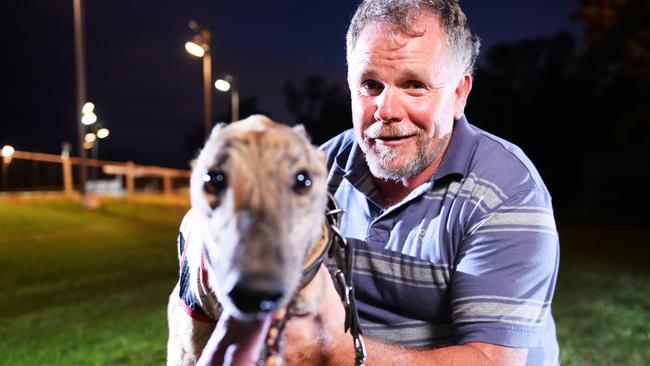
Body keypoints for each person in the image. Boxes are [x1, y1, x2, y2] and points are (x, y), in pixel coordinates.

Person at [283, 0, 560, 365]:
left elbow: (491, 361)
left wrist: (332, 349)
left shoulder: (507, 190)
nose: (386, 110)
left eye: (414, 85)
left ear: (459, 94)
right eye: (370, 85)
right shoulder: (320, 171)